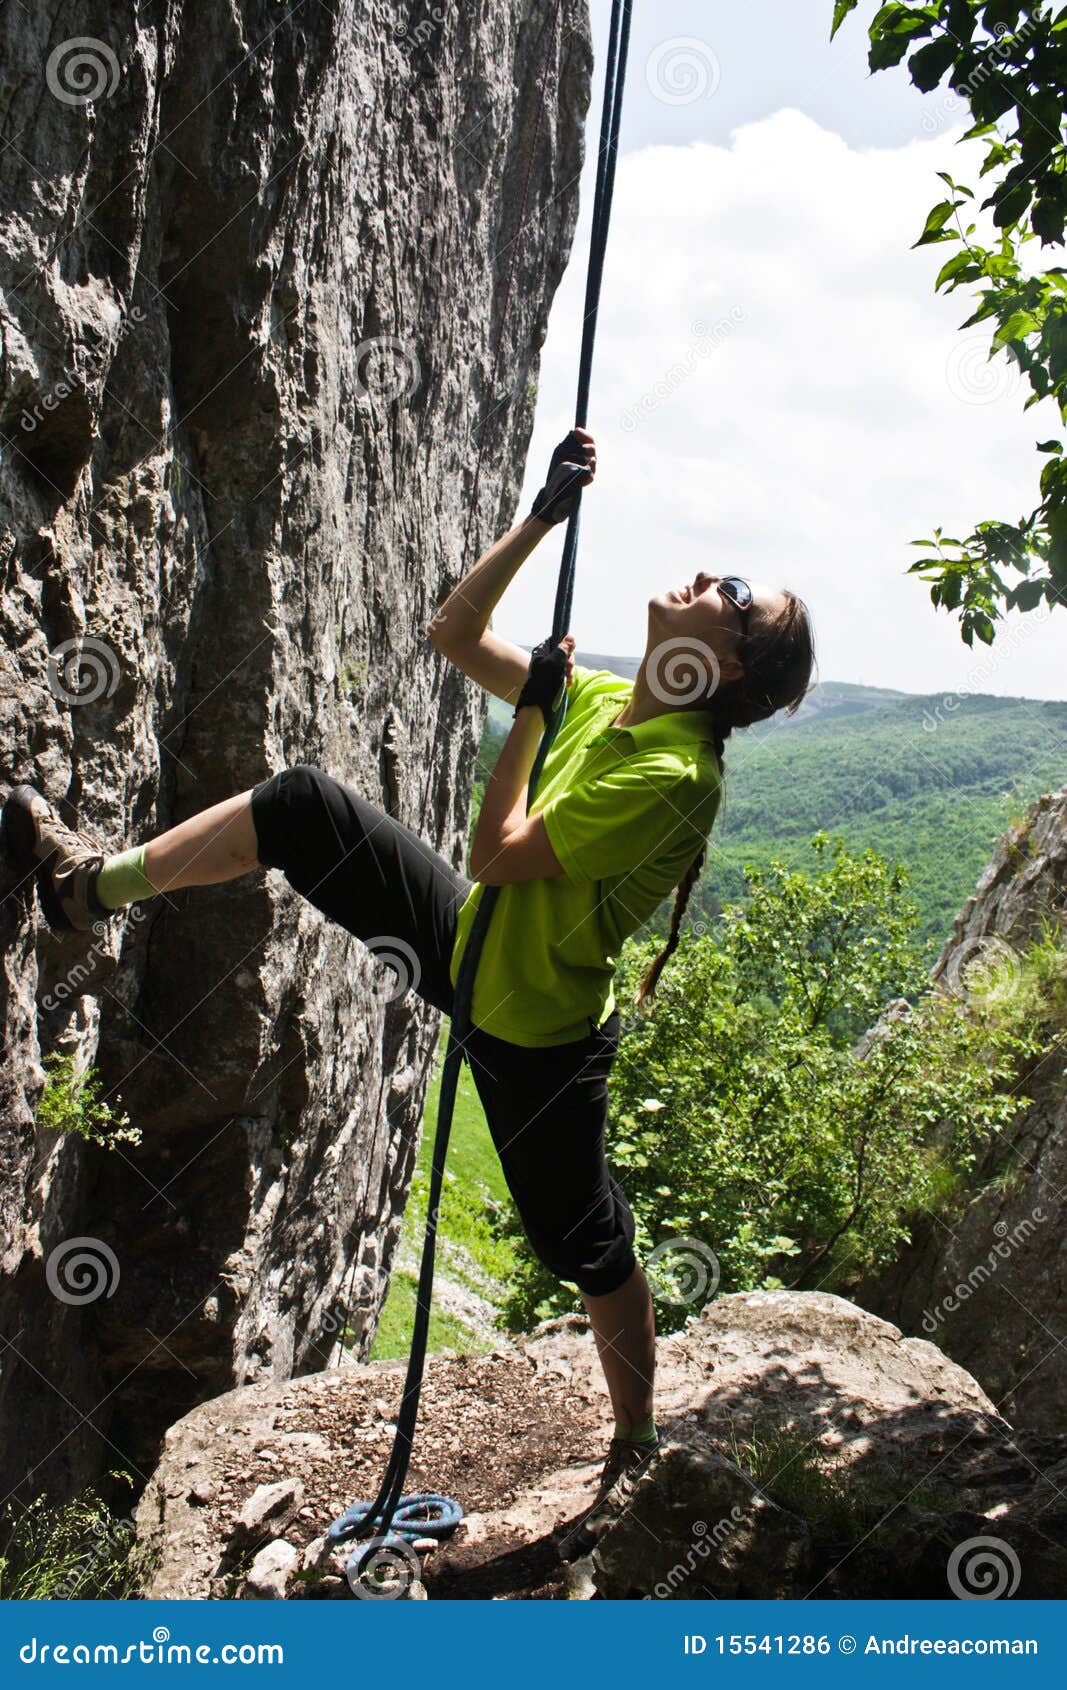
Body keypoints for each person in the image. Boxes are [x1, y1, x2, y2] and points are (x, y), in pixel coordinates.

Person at [1, 427, 815, 1554]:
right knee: (299, 806)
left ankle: (633, 1442)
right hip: (470, 950)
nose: (704, 575)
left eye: (730, 590)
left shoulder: (670, 774)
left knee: (584, 1241)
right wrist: (538, 516)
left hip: (533, 1034)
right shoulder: (612, 698)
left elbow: (496, 850)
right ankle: (87, 890)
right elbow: (452, 633)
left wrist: (531, 709)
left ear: (727, 660)